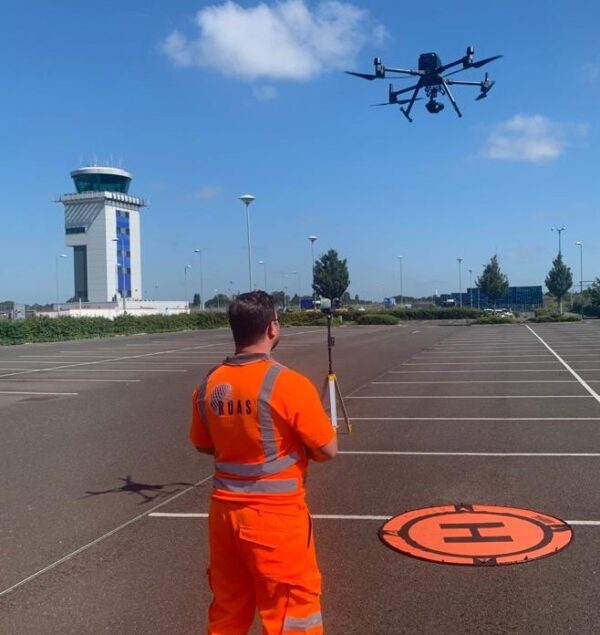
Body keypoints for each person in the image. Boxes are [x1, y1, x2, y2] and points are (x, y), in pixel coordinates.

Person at [190, 290, 337, 634]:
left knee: (227, 610)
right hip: (275, 520)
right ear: (272, 328)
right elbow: (327, 450)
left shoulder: (208, 385)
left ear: (235, 330)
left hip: (224, 517)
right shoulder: (289, 384)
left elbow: (202, 443)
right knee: (292, 613)